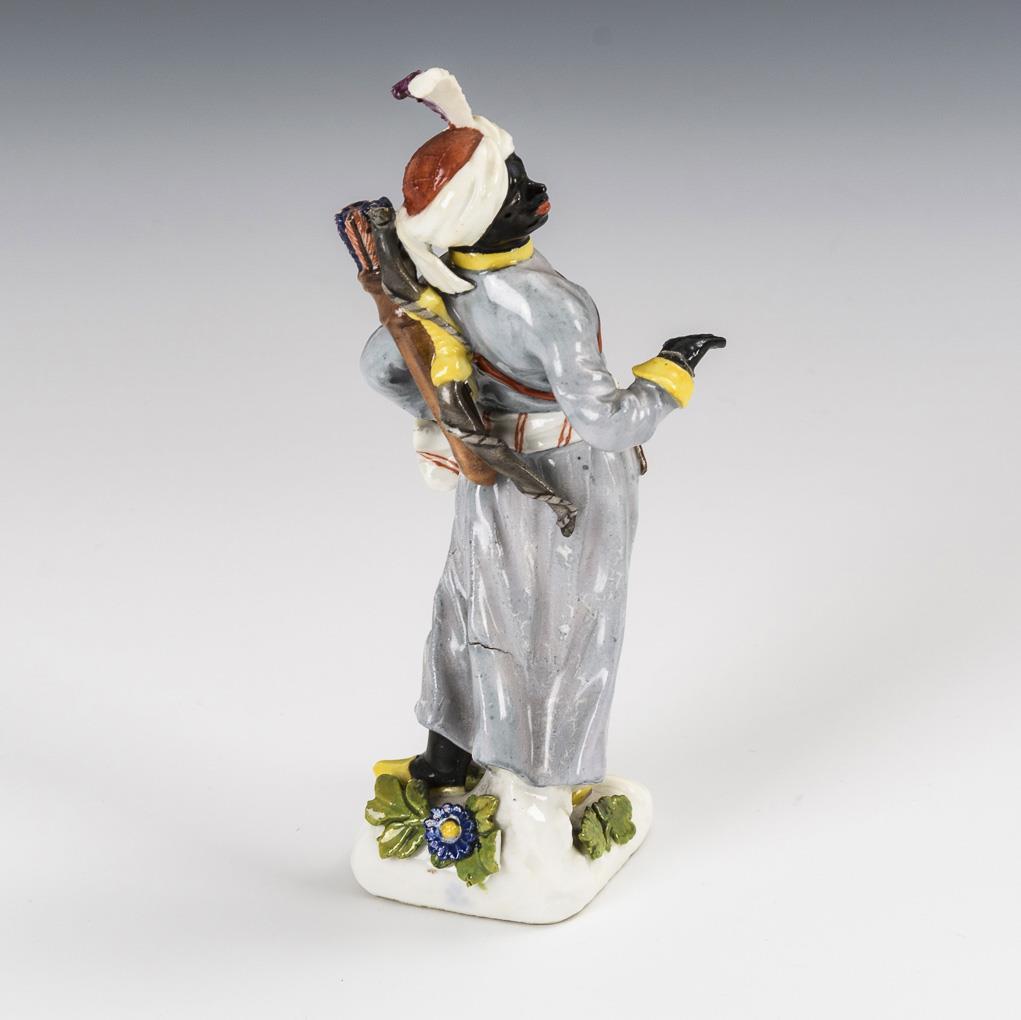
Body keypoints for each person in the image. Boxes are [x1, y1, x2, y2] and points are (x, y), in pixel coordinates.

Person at [360, 68, 725, 790]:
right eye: (512, 187)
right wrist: (670, 372)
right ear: (478, 214)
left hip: (494, 470)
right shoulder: (549, 302)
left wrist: (454, 426)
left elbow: (382, 369)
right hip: (572, 479)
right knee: (567, 630)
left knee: (473, 604)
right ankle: (541, 784)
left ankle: (446, 759)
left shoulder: (439, 291)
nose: (532, 191)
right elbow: (608, 424)